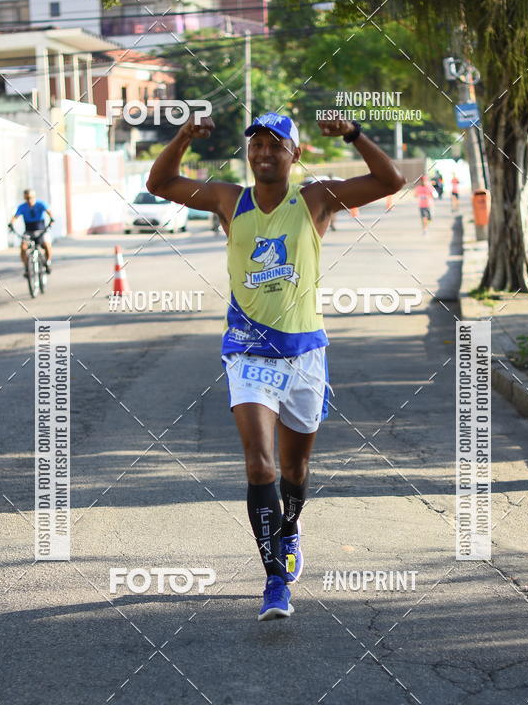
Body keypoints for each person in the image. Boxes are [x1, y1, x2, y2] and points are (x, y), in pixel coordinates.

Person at [147, 112, 405, 620]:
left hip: (305, 353)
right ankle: (274, 581)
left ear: (295, 154)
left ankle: (291, 528)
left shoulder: (317, 199)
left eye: (275, 145)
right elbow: (159, 183)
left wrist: (353, 134)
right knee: (259, 464)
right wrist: (183, 136)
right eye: (256, 145)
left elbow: (389, 181)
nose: (264, 153)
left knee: (294, 469)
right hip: (247, 351)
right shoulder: (229, 200)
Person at [8, 189, 54, 275]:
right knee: (23, 247)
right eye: (27, 198)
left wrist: (52, 219)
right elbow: (15, 216)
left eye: (31, 198)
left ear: (34, 197)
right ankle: (27, 268)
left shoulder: (41, 204)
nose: (29, 200)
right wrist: (11, 223)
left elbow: (49, 212)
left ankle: (47, 263)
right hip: (29, 231)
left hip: (41, 230)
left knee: (47, 245)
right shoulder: (22, 207)